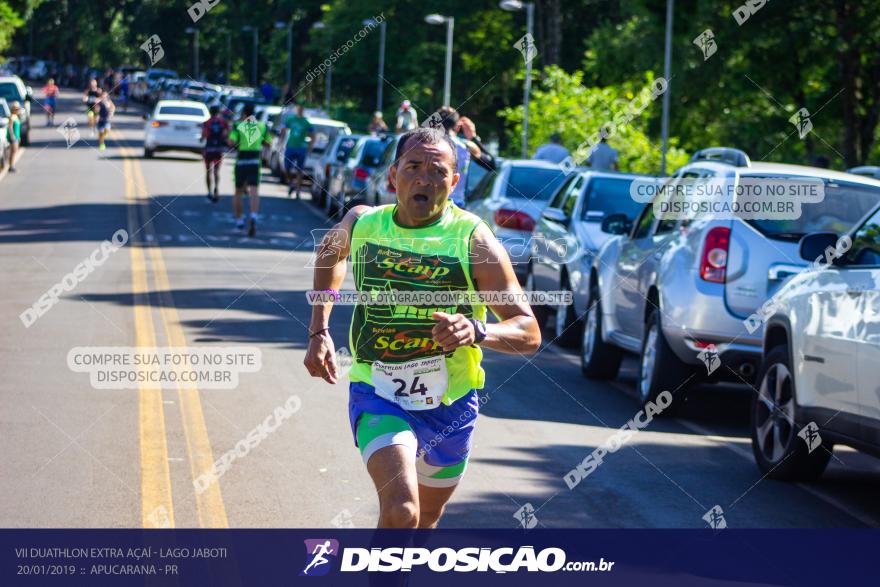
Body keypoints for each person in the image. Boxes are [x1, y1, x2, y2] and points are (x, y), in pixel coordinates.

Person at [304, 127, 541, 529]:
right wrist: (319, 329)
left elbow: (529, 331)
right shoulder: (363, 223)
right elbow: (330, 253)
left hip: (452, 403)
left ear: (454, 181)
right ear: (393, 175)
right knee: (402, 511)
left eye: (437, 171)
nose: (425, 180)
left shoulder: (473, 240)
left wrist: (477, 331)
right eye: (414, 167)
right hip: (378, 391)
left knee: (427, 517)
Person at [228, 103, 271, 236]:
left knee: (238, 192)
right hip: (254, 160)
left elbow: (230, 142)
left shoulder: (238, 126)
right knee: (254, 191)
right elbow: (268, 143)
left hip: (241, 160)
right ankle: (253, 216)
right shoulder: (262, 126)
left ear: (243, 113)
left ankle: (239, 219)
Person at [281, 103, 314, 199]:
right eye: (298, 108)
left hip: (301, 147)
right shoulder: (291, 119)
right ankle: (291, 183)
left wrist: (310, 146)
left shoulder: (306, 122)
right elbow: (284, 130)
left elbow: (312, 135)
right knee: (286, 167)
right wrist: (281, 142)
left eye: (301, 108)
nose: (300, 110)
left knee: (300, 170)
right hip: (291, 146)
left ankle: (298, 191)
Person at [202, 105, 229, 202]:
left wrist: (202, 139)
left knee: (208, 171)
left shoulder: (207, 122)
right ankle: (216, 189)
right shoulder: (223, 122)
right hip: (218, 149)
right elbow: (226, 134)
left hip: (209, 149)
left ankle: (209, 192)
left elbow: (204, 135)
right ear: (218, 112)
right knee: (216, 171)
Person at [7, 102, 21, 172]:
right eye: (16, 109)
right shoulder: (12, 117)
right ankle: (11, 166)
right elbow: (10, 127)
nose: (17, 110)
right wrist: (12, 136)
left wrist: (18, 137)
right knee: (13, 151)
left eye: (18, 109)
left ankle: (12, 165)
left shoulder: (16, 116)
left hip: (17, 136)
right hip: (13, 137)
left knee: (15, 151)